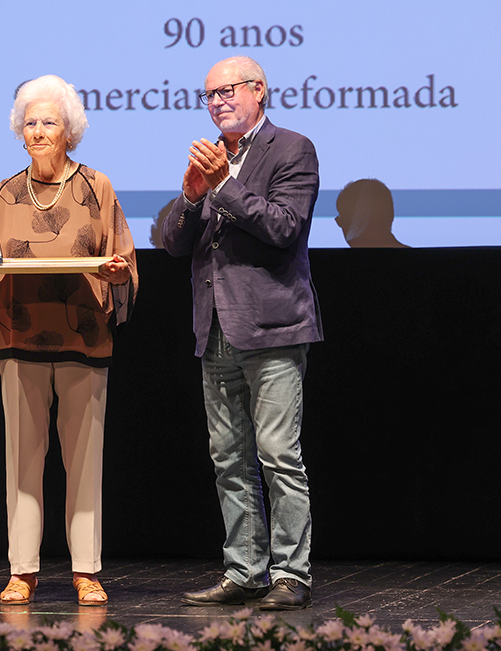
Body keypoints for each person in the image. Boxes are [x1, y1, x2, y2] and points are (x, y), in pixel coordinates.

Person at [162, 56, 322, 611]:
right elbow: (172, 242)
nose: (218, 102)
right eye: (209, 95)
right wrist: (190, 197)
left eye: (227, 91)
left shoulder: (292, 148)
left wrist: (223, 185)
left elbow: (284, 226)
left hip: (273, 327)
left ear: (259, 91)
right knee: (229, 458)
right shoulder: (212, 158)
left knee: (278, 455)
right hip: (216, 329)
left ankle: (291, 574)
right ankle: (245, 571)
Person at [0, 74, 137, 606]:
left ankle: (86, 570)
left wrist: (117, 274)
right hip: (18, 335)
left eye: (49, 122)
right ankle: (22, 570)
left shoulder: (96, 186)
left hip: (83, 338)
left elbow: (123, 259)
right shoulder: (5, 192)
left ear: (70, 131)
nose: (39, 131)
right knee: (22, 461)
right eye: (30, 123)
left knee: (84, 462)